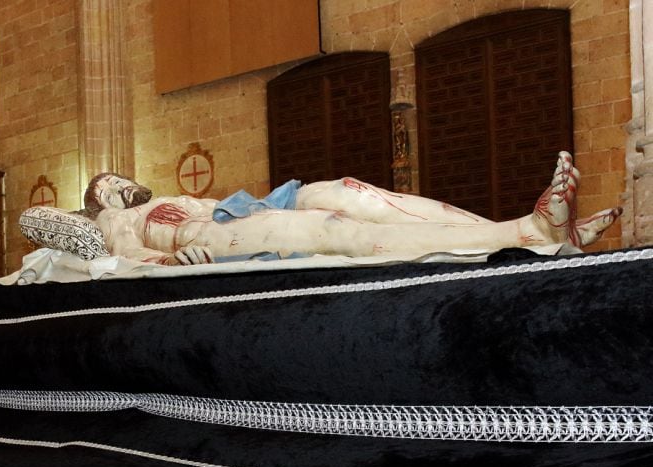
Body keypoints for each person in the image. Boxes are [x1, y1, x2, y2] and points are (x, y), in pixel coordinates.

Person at [81, 152, 621, 265]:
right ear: (100, 200)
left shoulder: (162, 196)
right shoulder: (112, 224)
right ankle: (528, 231)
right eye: (112, 184)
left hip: (241, 207)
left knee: (352, 192)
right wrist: (179, 261)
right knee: (338, 229)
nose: (124, 183)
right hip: (212, 237)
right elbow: (130, 264)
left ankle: (542, 232)